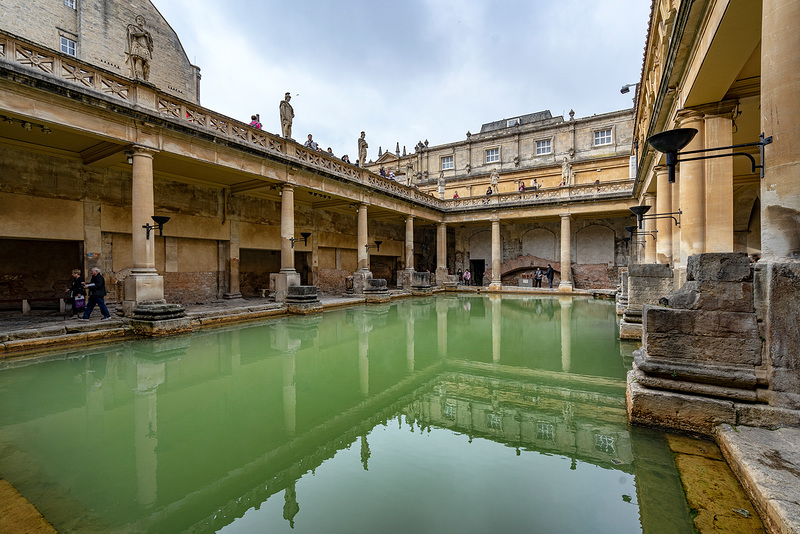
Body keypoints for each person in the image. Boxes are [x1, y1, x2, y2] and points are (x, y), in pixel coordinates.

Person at [125, 15, 153, 81]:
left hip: (145, 48)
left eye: (142, 20)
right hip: (137, 46)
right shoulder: (133, 27)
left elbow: (150, 43)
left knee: (147, 64)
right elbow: (133, 33)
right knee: (139, 61)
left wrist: (150, 46)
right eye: (139, 19)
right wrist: (143, 33)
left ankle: (145, 78)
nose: (141, 20)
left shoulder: (147, 33)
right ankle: (139, 77)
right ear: (136, 21)